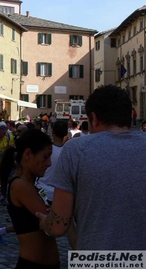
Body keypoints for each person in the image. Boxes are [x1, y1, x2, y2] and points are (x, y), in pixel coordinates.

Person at [37, 85, 146, 249]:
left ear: (94, 118)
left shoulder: (75, 149)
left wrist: (45, 222)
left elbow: (58, 226)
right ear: (129, 115)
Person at [8, 128, 59, 268]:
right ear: (28, 154)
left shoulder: (31, 184)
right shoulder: (20, 185)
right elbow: (54, 224)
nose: (49, 163)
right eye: (45, 157)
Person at [0, 121, 14, 206]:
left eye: (5, 130)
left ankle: (2, 196)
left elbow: (12, 148)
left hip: (3, 162)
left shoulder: (8, 137)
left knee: (3, 180)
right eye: (2, 131)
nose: (4, 132)